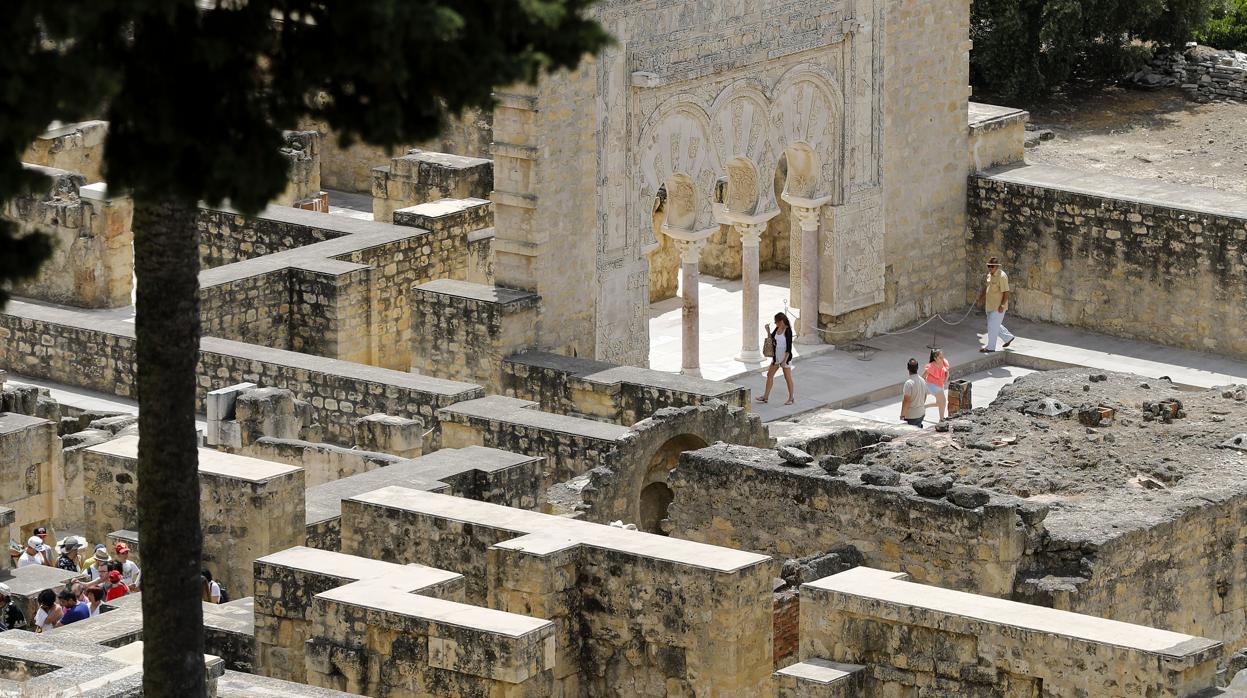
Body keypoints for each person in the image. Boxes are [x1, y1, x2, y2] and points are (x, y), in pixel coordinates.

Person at [976, 256, 1015, 353]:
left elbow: (1006, 292)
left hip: (998, 307)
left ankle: (990, 347)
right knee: (993, 324)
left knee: (992, 326)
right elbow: (987, 288)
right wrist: (981, 298)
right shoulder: (989, 275)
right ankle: (1008, 337)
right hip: (989, 305)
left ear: (997, 266)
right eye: (988, 266)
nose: (990, 268)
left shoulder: (1002, 276)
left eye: (992, 266)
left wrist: (1002, 305)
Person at [756, 312, 796, 405]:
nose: (775, 323)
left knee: (787, 378)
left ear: (781, 321)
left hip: (785, 358)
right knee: (769, 375)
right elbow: (771, 338)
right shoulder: (777, 328)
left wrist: (784, 361)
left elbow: (789, 348)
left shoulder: (788, 330)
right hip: (776, 357)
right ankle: (765, 397)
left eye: (776, 322)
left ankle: (791, 398)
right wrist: (768, 331)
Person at [922, 348, 951, 422]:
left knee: (939, 403)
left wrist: (946, 378)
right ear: (935, 358)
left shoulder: (944, 362)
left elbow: (946, 373)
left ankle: (924, 407)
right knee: (943, 402)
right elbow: (923, 376)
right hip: (932, 385)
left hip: (940, 385)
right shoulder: (931, 366)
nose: (942, 359)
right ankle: (941, 419)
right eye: (940, 357)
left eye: (942, 356)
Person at [900, 358, 928, 428]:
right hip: (921, 413)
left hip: (911, 416)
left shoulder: (908, 383)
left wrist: (902, 415)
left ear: (908, 368)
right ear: (917, 368)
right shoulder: (923, 380)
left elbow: (906, 401)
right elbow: (925, 396)